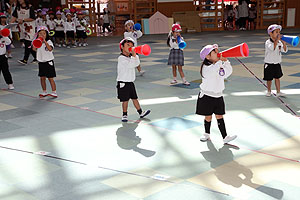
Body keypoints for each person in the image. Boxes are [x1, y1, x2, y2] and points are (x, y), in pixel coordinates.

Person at [197, 44, 237, 144]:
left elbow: (227, 73)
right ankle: (206, 133)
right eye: (214, 52)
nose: (218, 53)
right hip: (207, 96)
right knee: (208, 116)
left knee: (220, 116)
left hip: (218, 95)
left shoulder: (218, 65)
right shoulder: (206, 67)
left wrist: (226, 62)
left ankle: (225, 137)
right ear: (207, 56)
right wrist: (220, 61)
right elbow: (212, 71)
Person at [117, 37, 151, 122]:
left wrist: (135, 55)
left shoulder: (130, 57)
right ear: (122, 47)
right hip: (123, 83)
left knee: (134, 98)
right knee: (125, 100)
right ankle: (124, 114)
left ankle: (140, 112)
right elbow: (130, 65)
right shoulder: (121, 58)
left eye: (131, 46)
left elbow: (136, 63)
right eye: (128, 45)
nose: (130, 47)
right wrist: (134, 56)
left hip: (130, 82)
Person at [32, 26, 57, 98]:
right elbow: (34, 49)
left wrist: (45, 42)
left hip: (48, 62)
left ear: (47, 35)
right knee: (42, 77)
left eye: (44, 33)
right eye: (40, 34)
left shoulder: (49, 42)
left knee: (50, 78)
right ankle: (44, 91)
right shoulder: (38, 42)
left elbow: (50, 49)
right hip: (41, 62)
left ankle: (54, 92)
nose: (42, 35)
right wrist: (36, 42)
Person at [264, 24, 287, 97]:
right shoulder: (268, 42)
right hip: (269, 63)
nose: (278, 34)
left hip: (277, 63)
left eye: (279, 32)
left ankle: (278, 91)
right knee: (269, 79)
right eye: (276, 32)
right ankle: (269, 90)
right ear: (270, 33)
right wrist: (277, 41)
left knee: (277, 78)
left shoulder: (279, 42)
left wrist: (284, 43)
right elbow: (272, 48)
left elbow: (285, 50)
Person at [10, 0, 36, 65]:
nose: (19, 0)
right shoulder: (18, 8)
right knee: (28, 44)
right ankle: (36, 57)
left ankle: (25, 60)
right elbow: (14, 16)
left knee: (28, 43)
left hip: (29, 28)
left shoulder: (30, 7)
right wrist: (10, 24)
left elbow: (33, 18)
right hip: (22, 28)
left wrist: (23, 20)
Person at [0, 24, 14, 90]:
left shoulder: (3, 37)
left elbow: (9, 42)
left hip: (3, 56)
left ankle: (10, 84)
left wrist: (4, 35)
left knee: (5, 71)